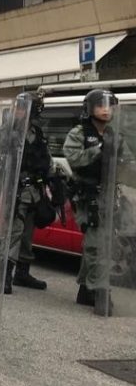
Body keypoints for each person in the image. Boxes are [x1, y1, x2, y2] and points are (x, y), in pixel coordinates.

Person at [0, 93, 51, 294]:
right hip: (15, 189)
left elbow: (45, 158)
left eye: (22, 107)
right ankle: (5, 276)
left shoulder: (36, 132)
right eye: (17, 107)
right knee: (14, 232)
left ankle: (22, 273)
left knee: (28, 234)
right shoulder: (7, 131)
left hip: (33, 191)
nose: (18, 111)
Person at [63, 89, 124, 315]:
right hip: (88, 197)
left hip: (109, 195)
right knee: (97, 244)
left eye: (110, 105)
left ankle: (84, 288)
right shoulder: (80, 132)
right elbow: (73, 157)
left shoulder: (115, 135)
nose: (106, 109)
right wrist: (98, 150)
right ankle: (100, 291)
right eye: (100, 105)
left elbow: (127, 160)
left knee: (103, 243)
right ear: (90, 108)